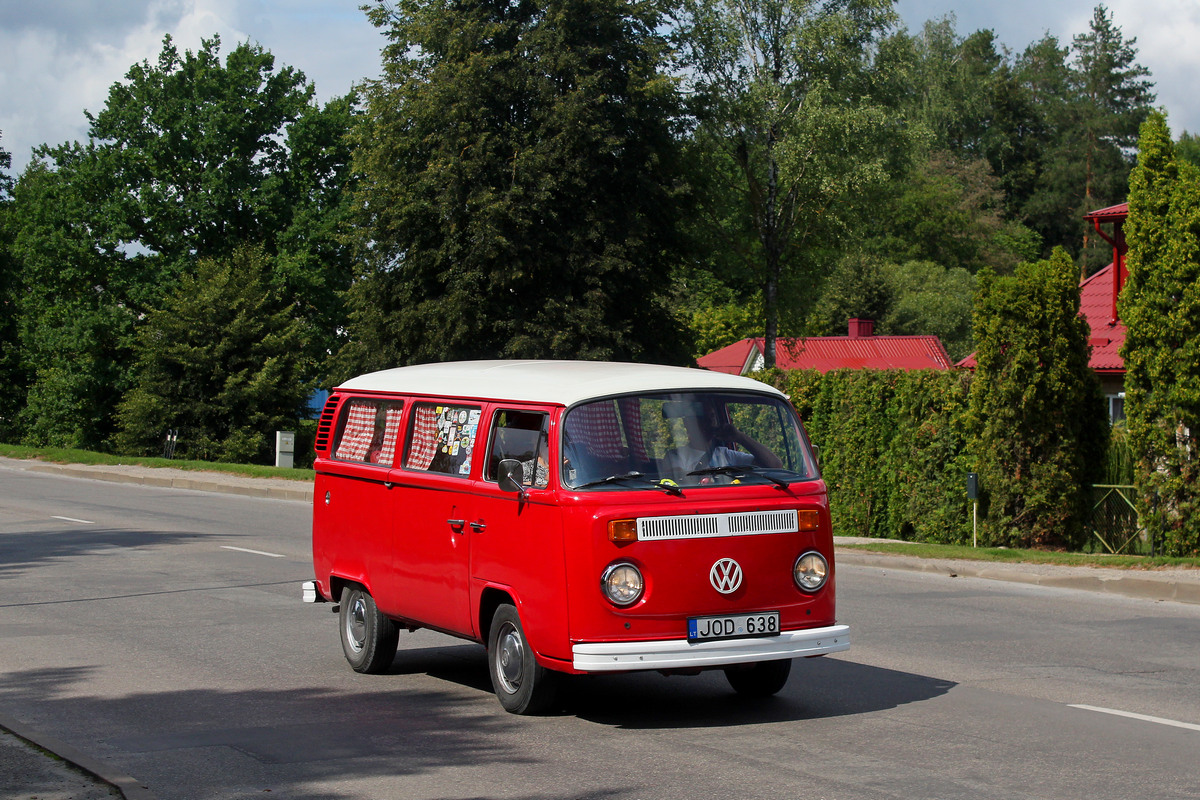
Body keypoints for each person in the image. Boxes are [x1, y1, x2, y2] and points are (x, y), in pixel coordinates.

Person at [661, 405, 782, 476]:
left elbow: (775, 465)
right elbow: (682, 482)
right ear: (688, 424)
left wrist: (740, 437)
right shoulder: (675, 456)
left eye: (712, 417)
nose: (710, 422)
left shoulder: (726, 455)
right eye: (703, 419)